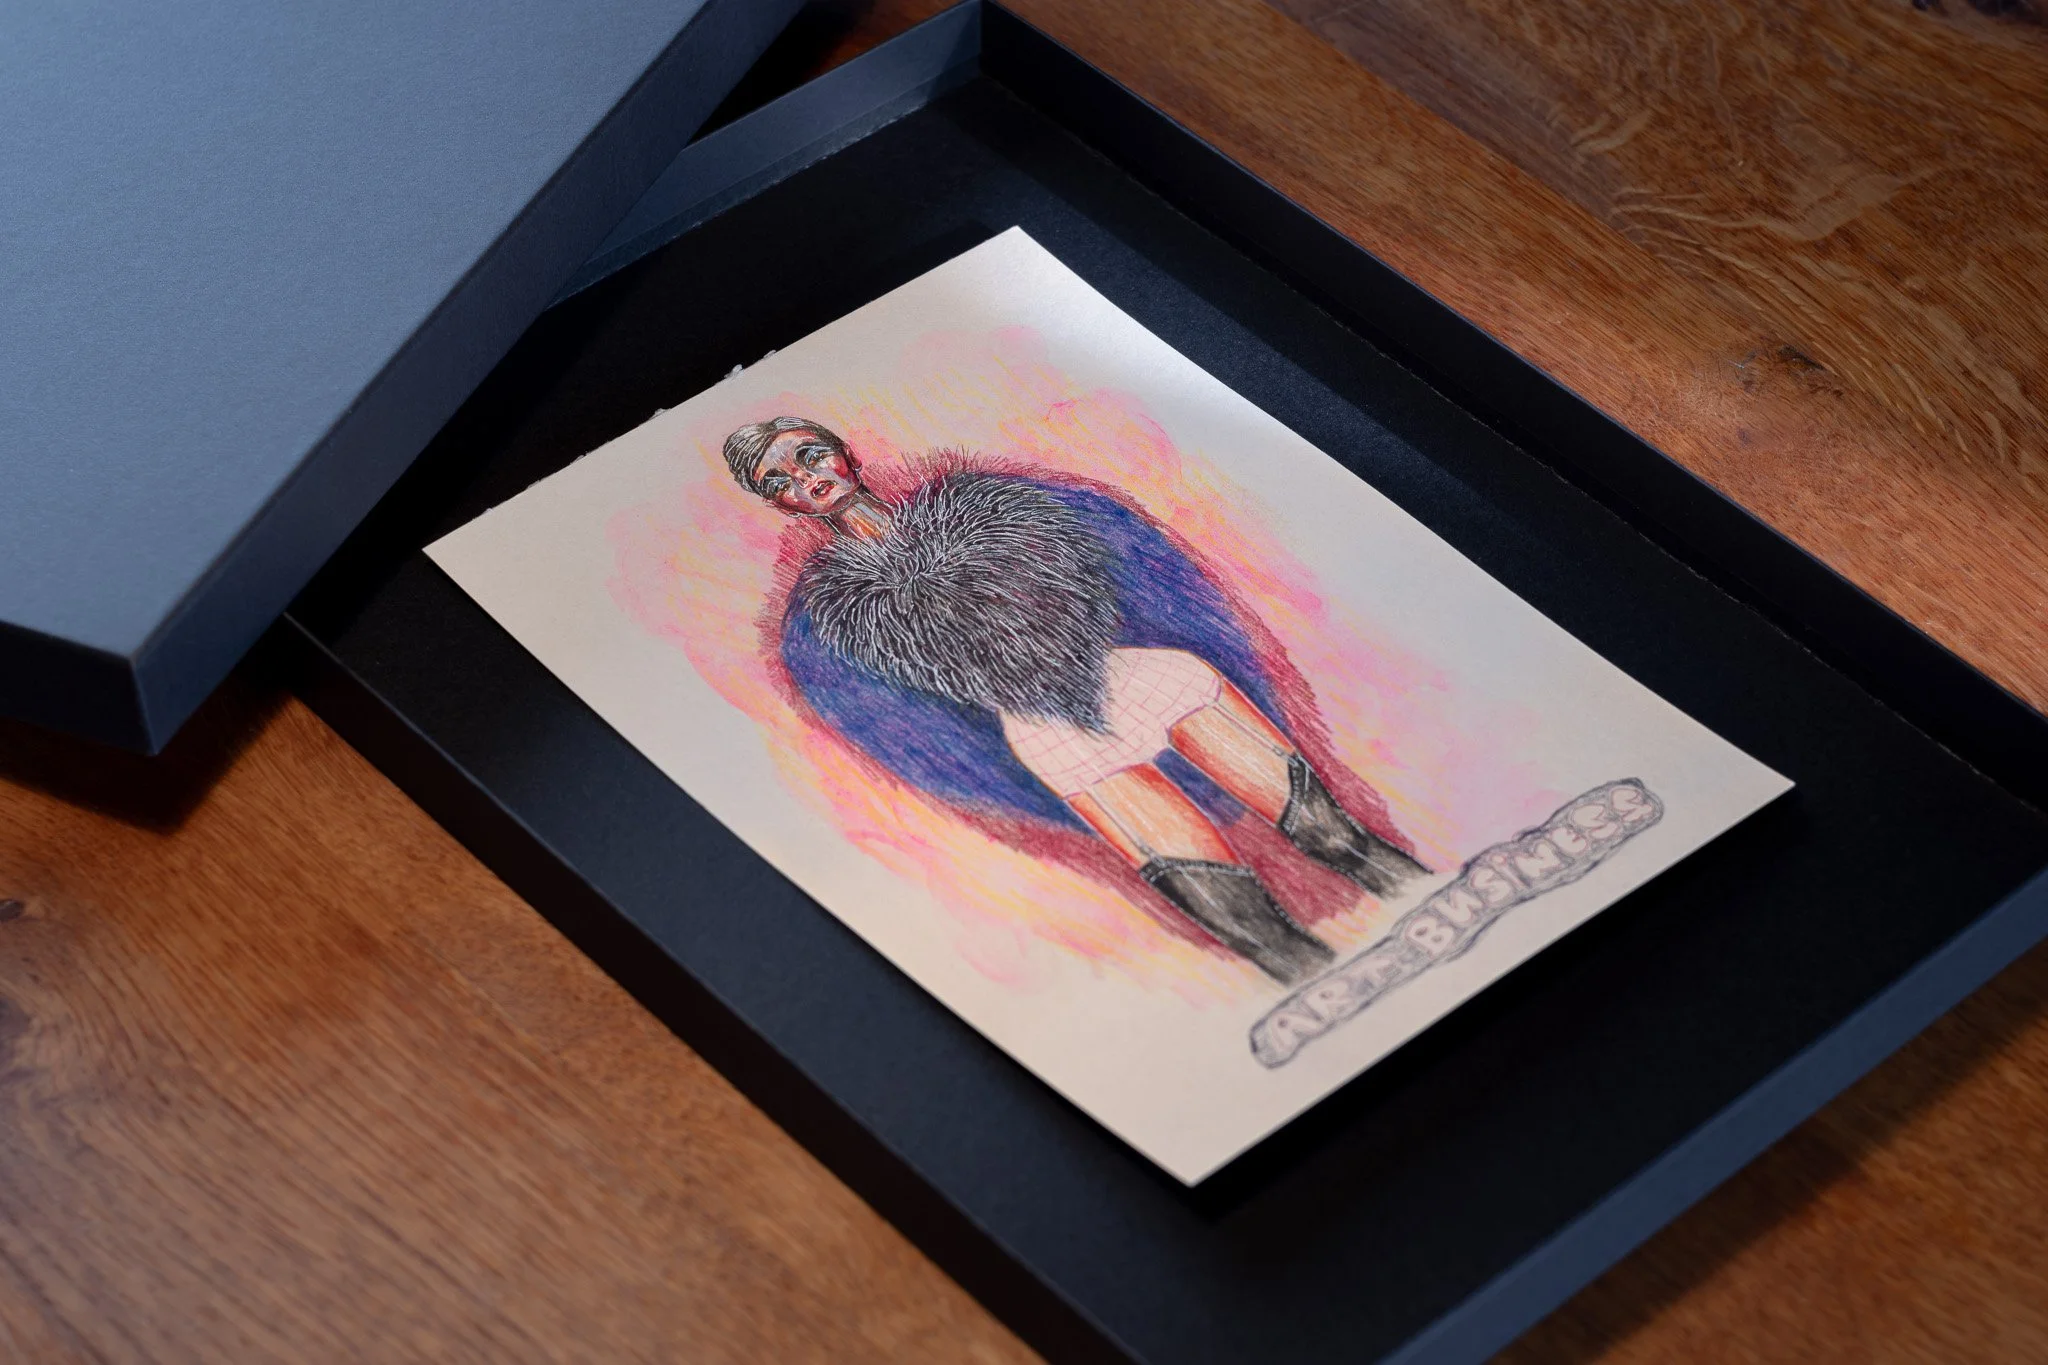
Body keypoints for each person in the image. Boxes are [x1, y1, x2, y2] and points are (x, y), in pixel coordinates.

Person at [724, 416, 1429, 985]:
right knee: (1233, 908)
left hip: (1140, 675)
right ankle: (1321, 990)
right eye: (779, 481)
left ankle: (1428, 908)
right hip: (1049, 739)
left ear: (845, 453)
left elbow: (1143, 562)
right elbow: (895, 730)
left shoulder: (990, 503)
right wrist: (1007, 780)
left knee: (1327, 832)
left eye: (809, 455)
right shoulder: (825, 618)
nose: (806, 479)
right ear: (778, 504)